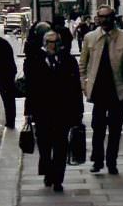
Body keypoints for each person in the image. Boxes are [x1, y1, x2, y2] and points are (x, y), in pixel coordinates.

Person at [24, 30, 83, 192]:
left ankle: (58, 179)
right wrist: (28, 112)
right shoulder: (33, 62)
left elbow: (76, 88)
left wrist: (79, 111)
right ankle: (48, 171)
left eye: (56, 42)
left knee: (61, 146)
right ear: (44, 43)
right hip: (42, 111)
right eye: (49, 42)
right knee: (44, 145)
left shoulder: (69, 61)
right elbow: (30, 88)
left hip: (63, 111)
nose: (53, 45)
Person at [79, 5, 123, 174]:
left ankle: (112, 162)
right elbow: (83, 64)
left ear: (113, 18)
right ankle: (97, 160)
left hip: (119, 88)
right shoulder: (90, 37)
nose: (104, 20)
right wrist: (84, 83)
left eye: (107, 17)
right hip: (99, 89)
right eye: (101, 17)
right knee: (98, 126)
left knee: (116, 128)